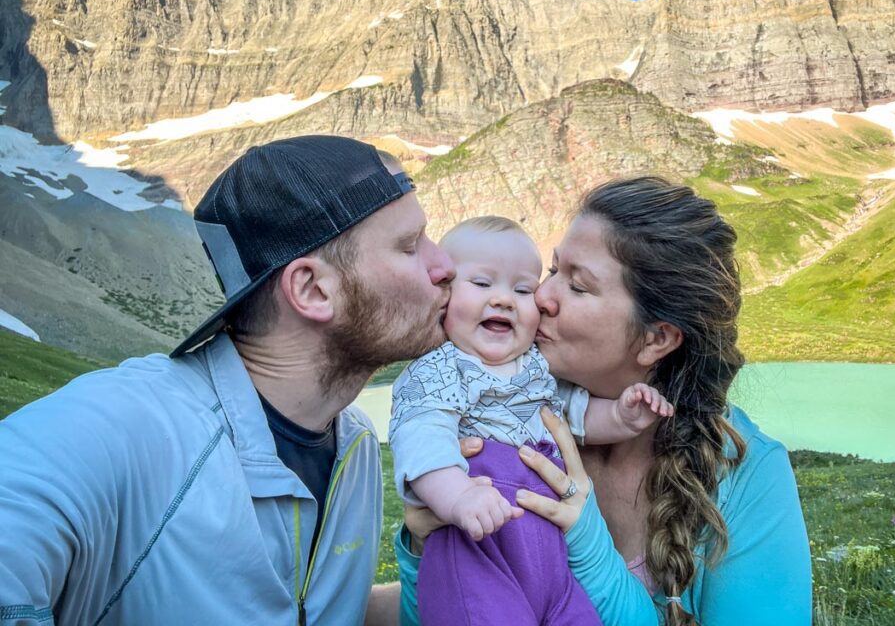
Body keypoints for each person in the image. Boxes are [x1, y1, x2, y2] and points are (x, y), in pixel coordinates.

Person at [0, 135, 456, 625]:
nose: (446, 266)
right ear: (312, 289)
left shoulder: (356, 442)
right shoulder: (129, 425)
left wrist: (426, 556)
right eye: (410, 246)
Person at [396, 177, 812, 625]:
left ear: (656, 339)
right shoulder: (501, 411)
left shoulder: (748, 475)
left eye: (578, 286)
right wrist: (423, 549)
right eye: (553, 271)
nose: (541, 297)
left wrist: (589, 546)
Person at [389, 216, 673, 625]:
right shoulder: (440, 370)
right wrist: (459, 498)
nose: (505, 300)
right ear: (444, 297)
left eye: (523, 289)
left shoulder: (535, 370)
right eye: (482, 284)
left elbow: (572, 419)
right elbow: (422, 441)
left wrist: (621, 416)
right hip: (479, 549)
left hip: (551, 567)